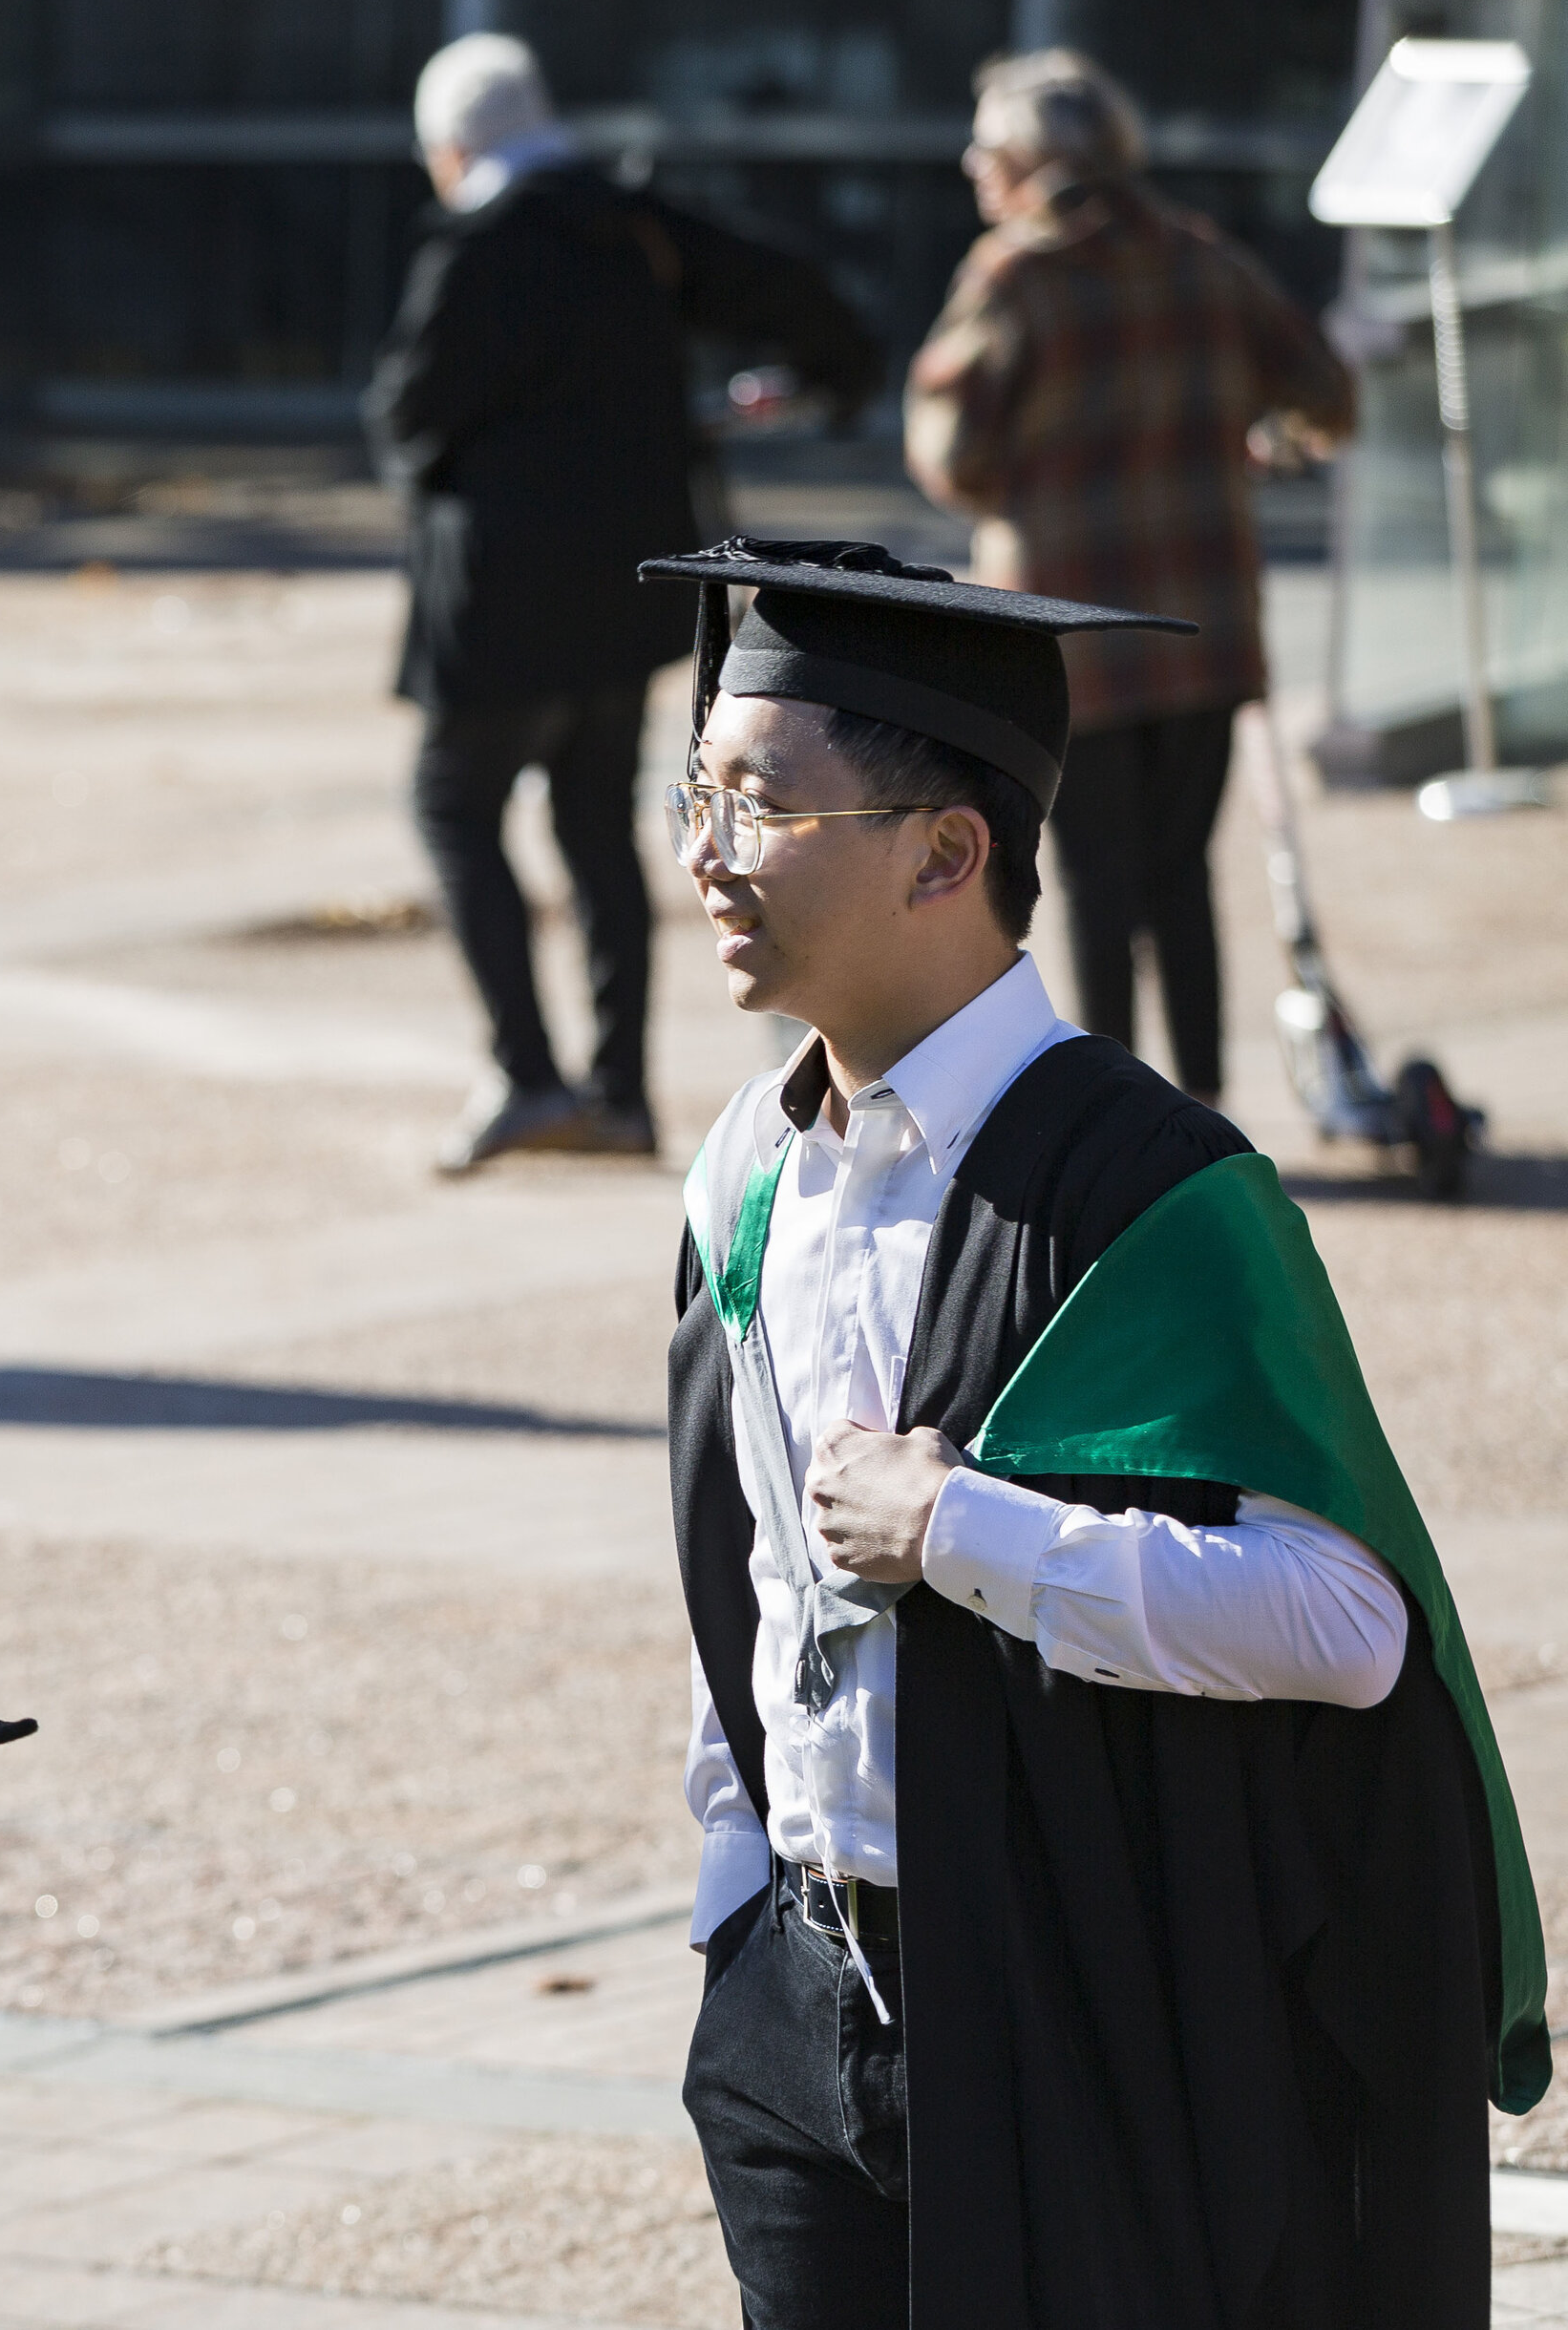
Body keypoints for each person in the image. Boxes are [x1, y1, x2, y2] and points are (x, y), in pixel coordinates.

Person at [648, 536, 1531, 2326]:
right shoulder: (747, 1168)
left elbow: (1346, 1628)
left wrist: (967, 1534)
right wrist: (732, 1901)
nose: (700, 855)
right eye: (697, 791)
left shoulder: (1149, 1196)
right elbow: (738, 1557)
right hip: (793, 2008)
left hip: (1066, 2001)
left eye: (758, 806)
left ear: (945, 852)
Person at [369, 32, 878, 1175]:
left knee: (453, 805)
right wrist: (832, 378)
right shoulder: (631, 225)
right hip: (630, 594)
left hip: (501, 603)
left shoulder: (475, 249)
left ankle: (526, 1071)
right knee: (595, 824)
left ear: (453, 150)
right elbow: (796, 289)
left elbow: (409, 417)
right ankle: (618, 1091)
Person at [907, 48, 1354, 1108]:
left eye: (984, 146)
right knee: (1181, 877)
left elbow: (952, 456)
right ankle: (1200, 1109)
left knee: (1097, 886)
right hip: (1205, 623)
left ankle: (1118, 1127)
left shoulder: (1014, 273)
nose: (974, 166)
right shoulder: (1203, 256)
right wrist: (1266, 443)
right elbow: (1328, 397)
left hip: (1073, 637)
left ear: (1026, 157)